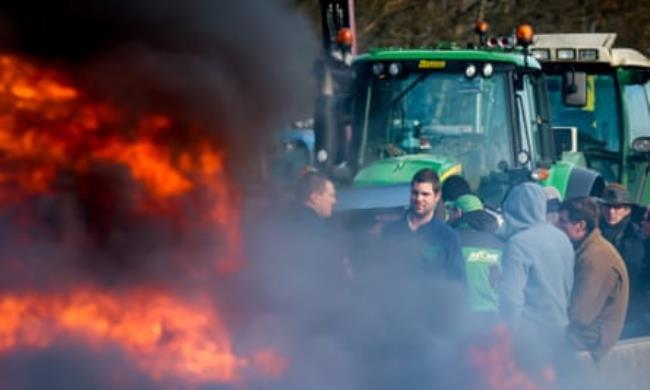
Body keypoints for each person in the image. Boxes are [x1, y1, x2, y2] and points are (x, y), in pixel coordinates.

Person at [557, 197, 629, 360]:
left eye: (563, 222)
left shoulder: (595, 259)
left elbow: (579, 316)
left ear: (580, 226)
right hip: (587, 334)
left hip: (592, 339)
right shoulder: (587, 250)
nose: (557, 226)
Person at [498, 182, 574, 335]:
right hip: (560, 327)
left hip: (531, 334)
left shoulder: (518, 244)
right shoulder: (562, 238)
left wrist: (509, 333)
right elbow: (569, 284)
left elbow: (512, 298)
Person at [382, 169, 465, 282]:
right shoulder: (390, 233)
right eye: (415, 193)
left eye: (425, 194)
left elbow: (458, 284)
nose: (419, 199)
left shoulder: (448, 237)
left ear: (437, 196)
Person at [598, 183, 646, 335]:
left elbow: (633, 274)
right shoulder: (594, 231)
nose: (611, 212)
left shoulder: (635, 238)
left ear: (627, 210)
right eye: (608, 206)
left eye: (617, 207)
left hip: (627, 309)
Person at [448, 194, 503, 315]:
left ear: (458, 212)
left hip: (460, 315)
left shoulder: (451, 241)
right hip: (492, 314)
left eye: (450, 212)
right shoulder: (498, 243)